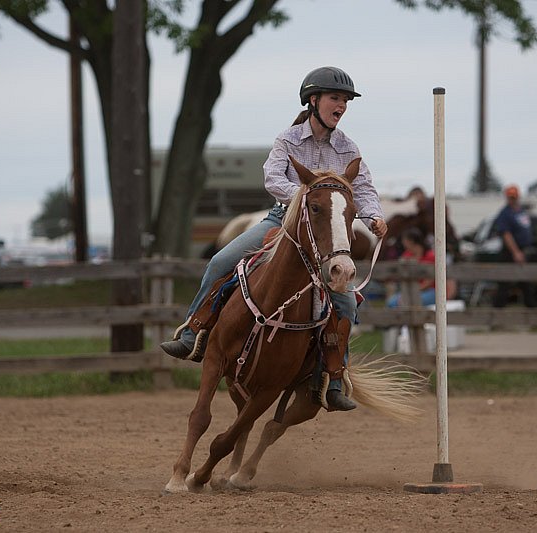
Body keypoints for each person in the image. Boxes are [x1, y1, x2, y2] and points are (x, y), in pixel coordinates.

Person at [159, 66, 387, 411]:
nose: (341, 105)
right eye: (334, 98)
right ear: (314, 101)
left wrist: (374, 216)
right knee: (221, 261)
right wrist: (307, 199)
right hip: (285, 220)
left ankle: (334, 379)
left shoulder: (348, 148)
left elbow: (363, 187)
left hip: (324, 230)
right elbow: (272, 180)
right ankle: (194, 331)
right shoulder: (289, 139)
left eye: (344, 100)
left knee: (347, 301)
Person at [492, 184, 537, 308]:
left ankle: (533, 310)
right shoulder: (505, 214)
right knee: (505, 282)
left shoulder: (521, 211)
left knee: (526, 282)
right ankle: (496, 313)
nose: (513, 199)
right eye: (510, 197)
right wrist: (516, 252)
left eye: (514, 197)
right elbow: (506, 234)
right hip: (511, 252)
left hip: (523, 250)